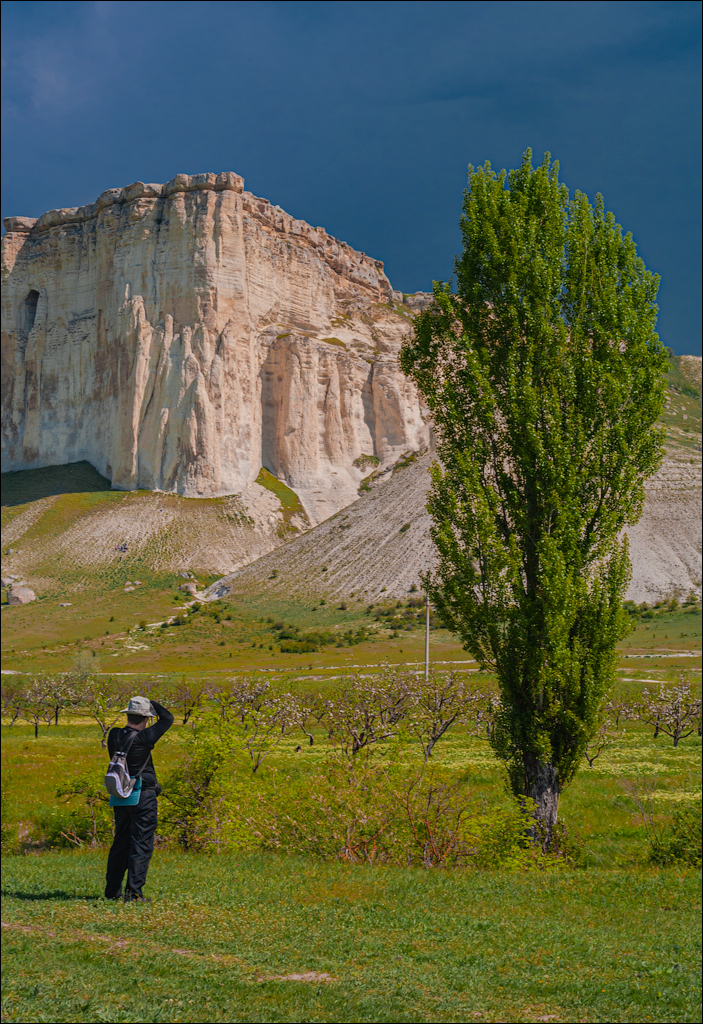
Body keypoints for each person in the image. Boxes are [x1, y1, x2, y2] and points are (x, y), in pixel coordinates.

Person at [105, 695, 173, 902]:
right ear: (145, 718)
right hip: (143, 795)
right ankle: (134, 894)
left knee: (120, 844)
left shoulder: (114, 735)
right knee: (141, 844)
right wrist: (153, 702)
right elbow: (168, 718)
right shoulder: (144, 738)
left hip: (121, 795)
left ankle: (112, 893)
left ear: (128, 715)